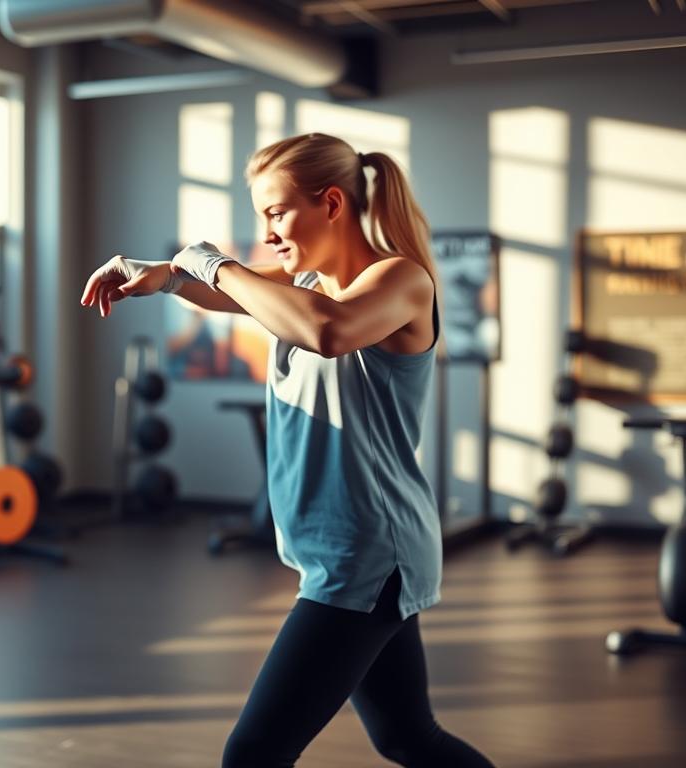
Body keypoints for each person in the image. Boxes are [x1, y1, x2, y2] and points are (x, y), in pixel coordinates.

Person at [79, 133, 495, 768]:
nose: (267, 233)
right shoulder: (303, 281)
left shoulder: (400, 280)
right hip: (343, 549)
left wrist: (209, 260)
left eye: (275, 212)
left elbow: (327, 331)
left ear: (331, 203)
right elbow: (227, 294)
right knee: (408, 736)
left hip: (368, 553)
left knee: (252, 755)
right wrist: (163, 275)